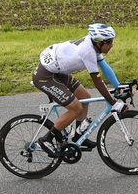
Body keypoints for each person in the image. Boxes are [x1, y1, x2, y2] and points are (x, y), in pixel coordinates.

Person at [31, 23, 126, 155]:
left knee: (84, 97)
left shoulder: (93, 46)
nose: (112, 45)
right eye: (109, 42)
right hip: (45, 76)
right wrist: (114, 103)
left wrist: (119, 87)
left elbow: (105, 67)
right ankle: (46, 139)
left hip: (57, 71)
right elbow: (98, 82)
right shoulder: (88, 52)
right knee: (76, 108)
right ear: (98, 42)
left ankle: (78, 136)